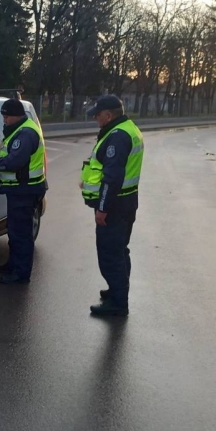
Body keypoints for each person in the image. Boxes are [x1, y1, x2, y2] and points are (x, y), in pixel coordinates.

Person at [80, 95, 144, 316]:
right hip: (126, 202)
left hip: (115, 205)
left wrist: (103, 208)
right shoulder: (128, 128)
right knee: (120, 250)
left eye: (98, 114)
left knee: (110, 253)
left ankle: (118, 303)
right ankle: (117, 291)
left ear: (108, 114)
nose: (96, 118)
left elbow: (112, 177)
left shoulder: (117, 137)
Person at [0, 99, 47, 284]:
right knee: (14, 230)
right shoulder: (19, 130)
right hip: (19, 190)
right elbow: (8, 155)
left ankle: (21, 273)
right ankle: (13, 264)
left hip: (25, 191)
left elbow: (14, 162)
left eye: (7, 116)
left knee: (22, 234)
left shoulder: (25, 133)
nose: (4, 120)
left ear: (17, 115)